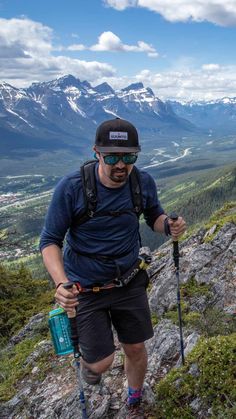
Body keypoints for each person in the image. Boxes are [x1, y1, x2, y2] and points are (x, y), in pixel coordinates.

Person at [40, 118, 186, 419]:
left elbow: (153, 215)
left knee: (135, 348)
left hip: (129, 281)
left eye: (129, 157)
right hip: (85, 289)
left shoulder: (141, 182)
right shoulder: (72, 189)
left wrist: (167, 226)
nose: (121, 165)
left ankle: (133, 401)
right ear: (97, 153)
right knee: (101, 362)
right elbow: (50, 241)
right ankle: (90, 371)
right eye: (112, 157)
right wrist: (60, 284)